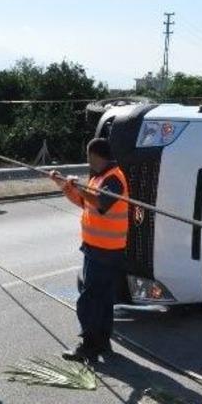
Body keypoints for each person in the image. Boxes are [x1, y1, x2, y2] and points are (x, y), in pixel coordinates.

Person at [49, 138, 129, 363]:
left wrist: (80, 187)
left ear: (95, 155)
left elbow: (102, 203)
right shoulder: (99, 177)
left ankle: (89, 346)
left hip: (106, 251)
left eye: (88, 155)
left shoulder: (114, 178)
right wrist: (65, 186)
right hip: (96, 248)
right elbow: (86, 203)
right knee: (102, 299)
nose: (87, 160)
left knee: (90, 300)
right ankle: (102, 342)